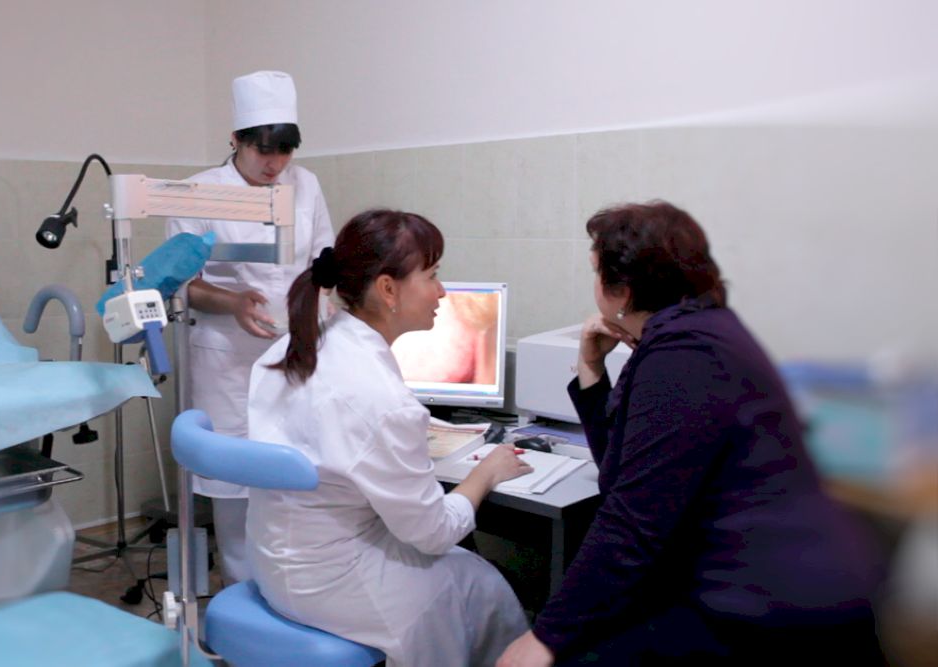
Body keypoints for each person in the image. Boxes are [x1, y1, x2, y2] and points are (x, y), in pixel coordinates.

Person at [498, 201, 884, 666]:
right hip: (762, 585)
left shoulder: (683, 356)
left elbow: (630, 523)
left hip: (773, 607)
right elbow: (620, 473)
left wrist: (545, 636)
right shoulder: (694, 332)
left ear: (621, 292)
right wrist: (591, 367)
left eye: (597, 272)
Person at [247, 209, 531, 667]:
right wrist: (485, 474)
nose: (442, 291)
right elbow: (434, 534)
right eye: (432, 276)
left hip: (273, 562)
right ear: (388, 289)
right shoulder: (381, 399)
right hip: (333, 585)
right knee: (480, 582)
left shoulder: (291, 349)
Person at [166, 70, 333, 585]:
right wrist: (233, 302)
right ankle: (243, 598)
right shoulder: (198, 192)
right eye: (263, 150)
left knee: (296, 478)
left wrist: (323, 312)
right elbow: (181, 283)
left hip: (294, 354)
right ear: (235, 140)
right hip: (227, 360)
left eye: (285, 151)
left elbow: (323, 263)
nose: (274, 164)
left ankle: (293, 595)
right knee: (235, 489)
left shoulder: (306, 184)